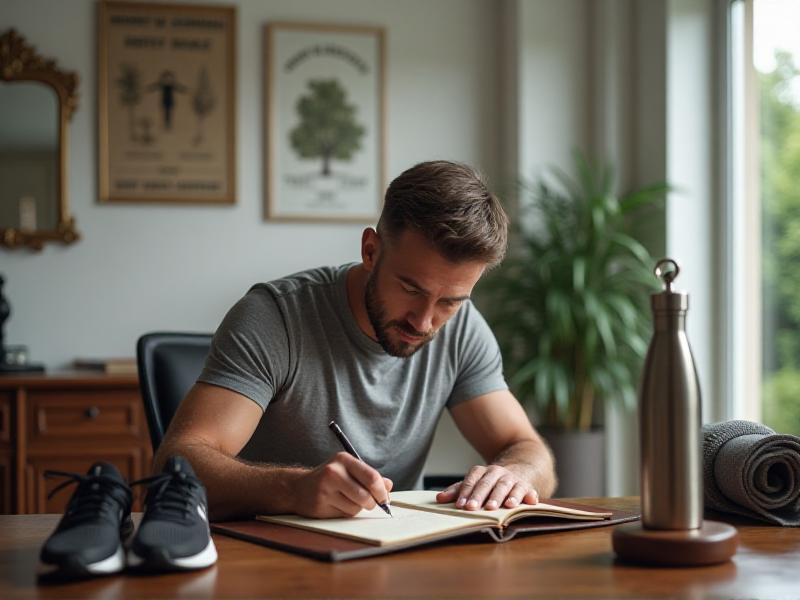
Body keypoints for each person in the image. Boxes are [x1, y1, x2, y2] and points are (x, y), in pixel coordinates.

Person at [155, 161, 557, 520]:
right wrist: (293, 489)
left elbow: (526, 448)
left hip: (392, 556)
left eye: (450, 301)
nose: (424, 321)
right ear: (370, 250)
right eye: (410, 288)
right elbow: (176, 461)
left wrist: (517, 474)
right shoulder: (275, 318)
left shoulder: (462, 328)